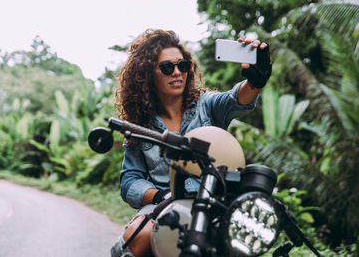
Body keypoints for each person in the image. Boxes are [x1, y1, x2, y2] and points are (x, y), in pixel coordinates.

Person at [111, 29, 272, 257]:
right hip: (163, 202)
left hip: (212, 198)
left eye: (182, 65)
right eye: (167, 67)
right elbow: (130, 180)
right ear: (147, 74)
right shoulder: (140, 125)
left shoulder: (207, 105)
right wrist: (159, 196)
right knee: (138, 238)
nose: (177, 72)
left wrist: (256, 81)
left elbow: (236, 99)